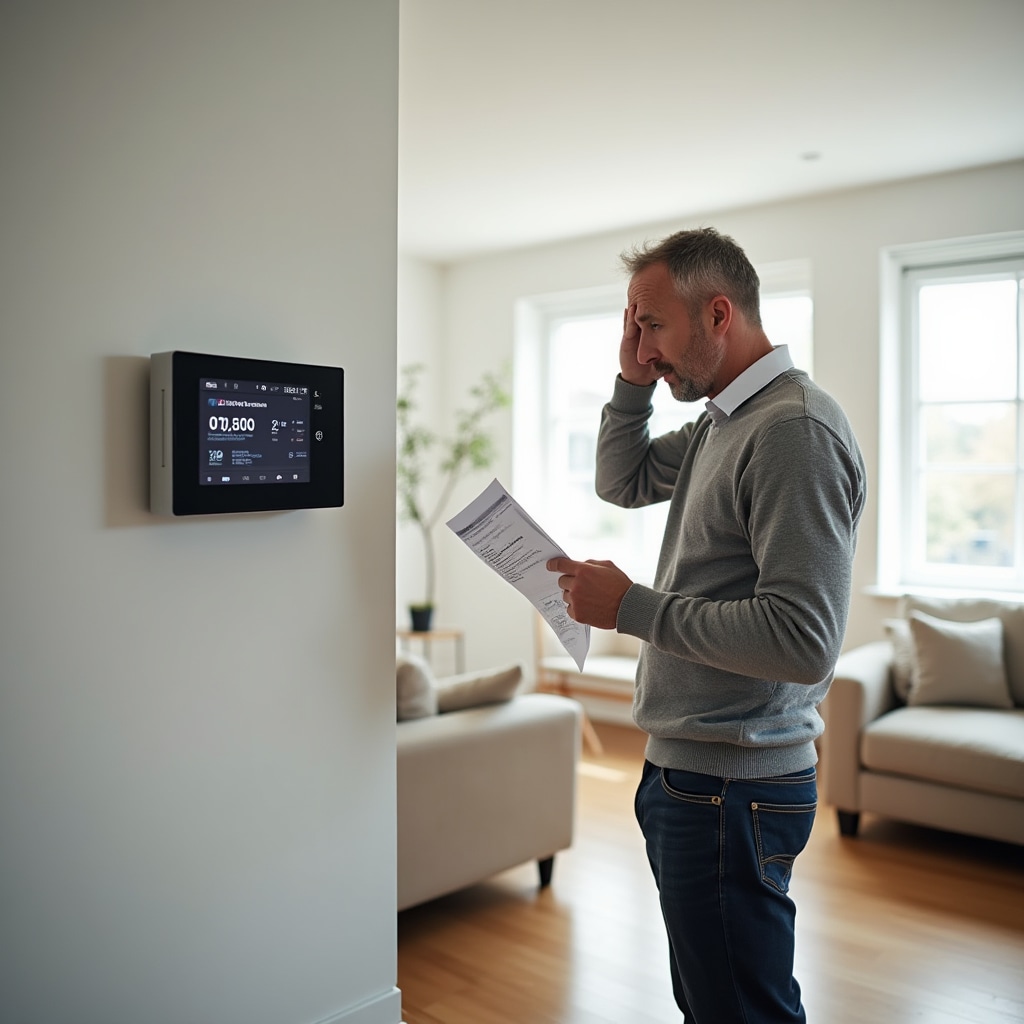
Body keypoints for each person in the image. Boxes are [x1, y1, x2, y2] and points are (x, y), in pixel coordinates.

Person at [547, 227, 866, 1023]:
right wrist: (632, 379)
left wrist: (631, 608)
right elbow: (621, 480)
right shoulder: (726, 422)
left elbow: (803, 640)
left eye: (652, 325)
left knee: (739, 1011)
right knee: (716, 1003)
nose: (644, 347)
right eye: (635, 327)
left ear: (718, 314)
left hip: (731, 786)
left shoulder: (790, 431)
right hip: (695, 775)